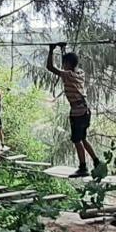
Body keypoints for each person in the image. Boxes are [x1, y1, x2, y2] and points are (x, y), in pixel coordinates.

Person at [46, 43, 102, 178]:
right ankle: (96, 161)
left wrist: (51, 50)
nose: (63, 65)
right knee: (82, 138)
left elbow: (50, 67)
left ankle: (83, 167)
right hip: (85, 110)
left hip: (77, 111)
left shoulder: (68, 75)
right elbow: (68, 66)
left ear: (67, 64)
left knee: (77, 140)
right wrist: (62, 49)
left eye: (64, 63)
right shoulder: (80, 73)